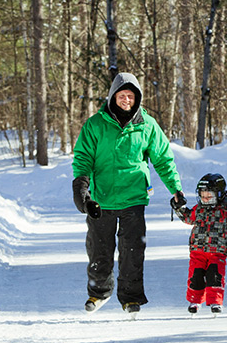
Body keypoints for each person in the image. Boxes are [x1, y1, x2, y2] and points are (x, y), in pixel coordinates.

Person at [72, 72, 185, 315]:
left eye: (131, 96)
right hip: (101, 199)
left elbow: (163, 159)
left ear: (137, 99)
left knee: (132, 252)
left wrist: (175, 188)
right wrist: (82, 189)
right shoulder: (95, 125)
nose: (126, 100)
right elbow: (83, 159)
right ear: (113, 97)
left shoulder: (147, 125)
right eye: (122, 95)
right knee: (98, 249)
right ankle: (98, 292)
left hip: (134, 197)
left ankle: (131, 298)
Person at [171, 173, 227, 315]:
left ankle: (215, 302)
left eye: (209, 196)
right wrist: (178, 207)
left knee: (215, 277)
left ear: (219, 194)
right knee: (196, 276)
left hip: (217, 252)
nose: (205, 199)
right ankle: (194, 301)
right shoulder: (199, 209)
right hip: (197, 251)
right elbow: (187, 218)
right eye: (202, 195)